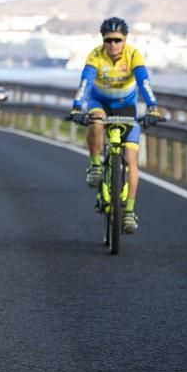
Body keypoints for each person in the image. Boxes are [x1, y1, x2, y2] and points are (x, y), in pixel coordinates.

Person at [70, 17, 161, 234]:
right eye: (108, 40)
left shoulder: (133, 55)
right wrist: (76, 106)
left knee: (130, 159)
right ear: (103, 40)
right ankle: (95, 165)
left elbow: (144, 82)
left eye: (117, 40)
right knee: (95, 121)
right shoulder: (95, 55)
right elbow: (86, 82)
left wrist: (152, 107)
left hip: (126, 108)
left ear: (125, 39)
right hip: (100, 102)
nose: (112, 45)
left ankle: (129, 211)